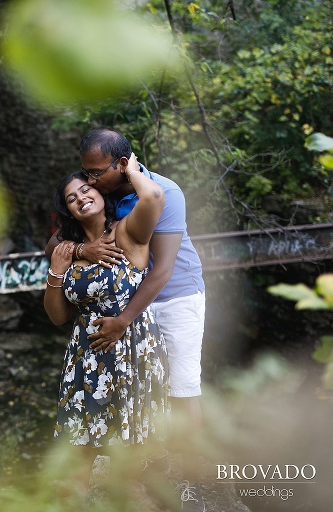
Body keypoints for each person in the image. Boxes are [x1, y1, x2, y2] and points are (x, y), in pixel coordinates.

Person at [47, 128, 207, 512]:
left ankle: (191, 485)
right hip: (103, 332)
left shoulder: (160, 192)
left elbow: (162, 270)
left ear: (121, 165)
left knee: (182, 391)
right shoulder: (101, 193)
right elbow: (54, 246)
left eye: (95, 175)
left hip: (172, 297)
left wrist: (123, 319)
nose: (88, 183)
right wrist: (82, 249)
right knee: (91, 429)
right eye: (84, 177)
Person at [44, 154, 168, 492]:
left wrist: (129, 169)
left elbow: (154, 196)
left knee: (126, 462)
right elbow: (57, 317)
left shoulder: (127, 232)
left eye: (86, 190)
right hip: (85, 357)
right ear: (68, 210)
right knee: (78, 456)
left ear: (101, 194)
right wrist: (59, 269)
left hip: (130, 349)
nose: (81, 198)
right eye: (72, 198)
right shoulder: (69, 250)